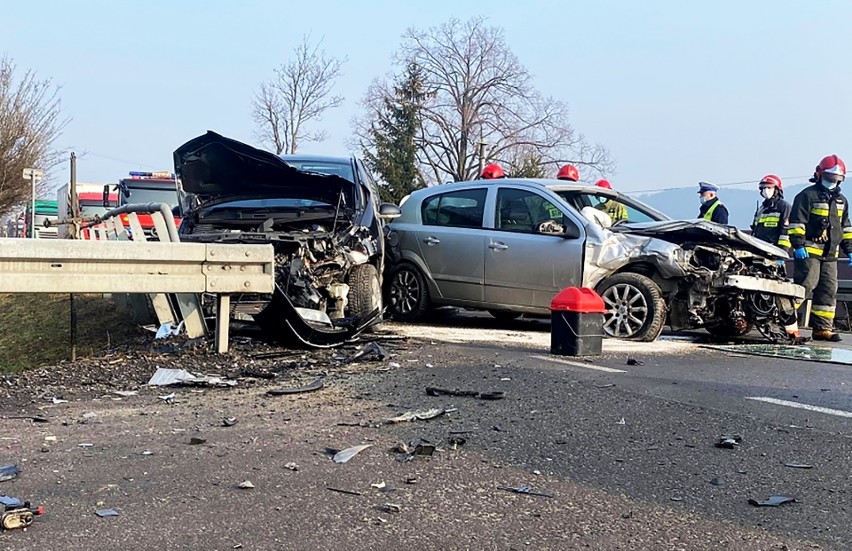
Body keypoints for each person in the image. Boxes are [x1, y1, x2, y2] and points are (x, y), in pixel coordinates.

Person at [788, 154, 852, 341]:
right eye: (830, 178)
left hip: (830, 255)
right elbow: (796, 223)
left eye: (836, 179)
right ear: (819, 175)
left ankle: (822, 329)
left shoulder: (841, 201)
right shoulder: (807, 196)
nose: (833, 182)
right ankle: (786, 323)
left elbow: (845, 228)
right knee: (805, 286)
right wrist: (798, 245)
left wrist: (849, 249)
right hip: (809, 252)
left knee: (828, 290)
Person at [751, 174, 798, 338]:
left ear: (777, 189)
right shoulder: (762, 208)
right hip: (759, 256)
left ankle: (790, 329)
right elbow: (754, 232)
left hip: (775, 256)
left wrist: (781, 255)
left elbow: (786, 233)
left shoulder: (784, 207)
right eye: (763, 188)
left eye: (768, 187)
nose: (765, 191)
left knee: (780, 292)